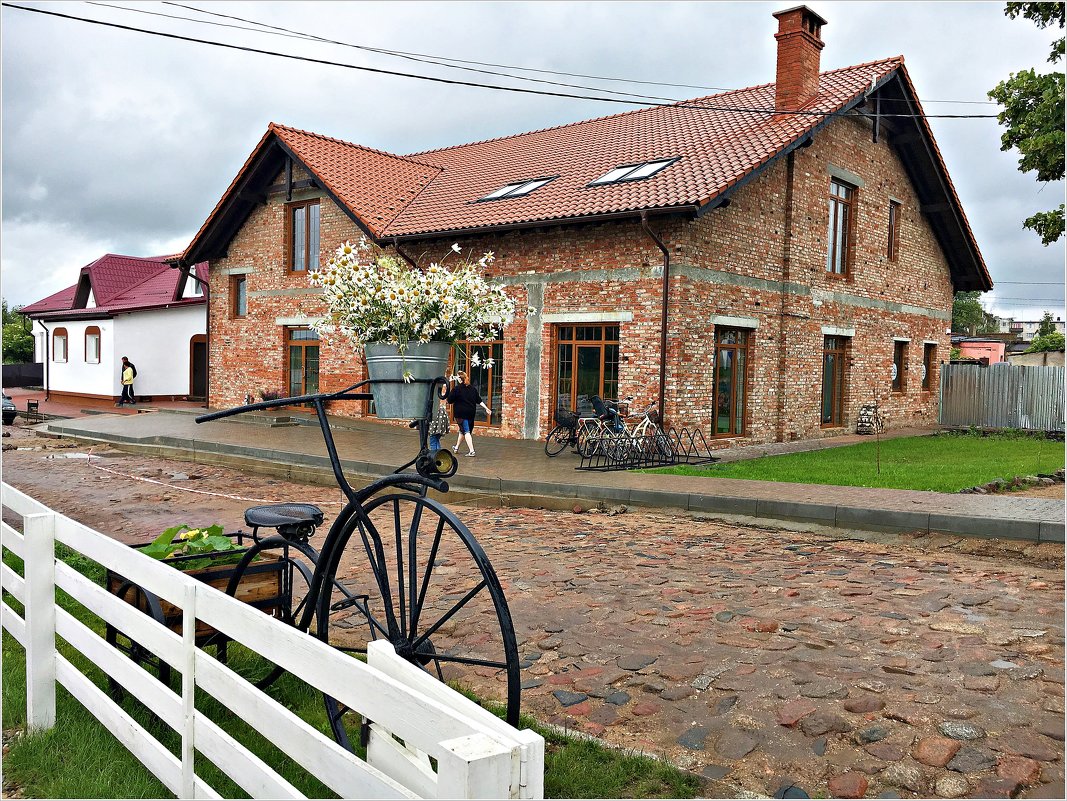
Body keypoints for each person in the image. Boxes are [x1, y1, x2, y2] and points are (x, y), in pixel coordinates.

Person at [446, 371, 492, 457]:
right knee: (462, 431)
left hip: (461, 414)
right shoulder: (472, 389)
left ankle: (472, 451)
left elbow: (449, 400)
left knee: (466, 431)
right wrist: (486, 408)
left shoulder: (456, 389)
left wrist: (449, 386)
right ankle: (456, 448)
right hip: (471, 413)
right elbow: (479, 400)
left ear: (460, 379)